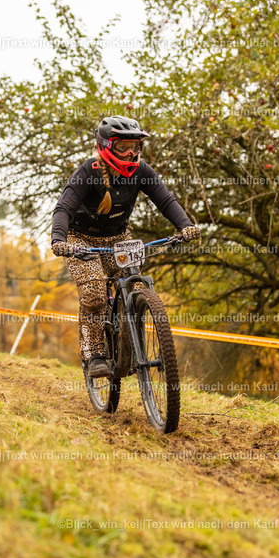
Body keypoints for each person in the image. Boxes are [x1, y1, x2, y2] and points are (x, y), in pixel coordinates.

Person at [51, 115, 200, 378]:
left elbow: (166, 201)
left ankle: (129, 346)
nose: (131, 153)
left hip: (118, 238)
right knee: (95, 293)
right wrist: (59, 240)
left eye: (135, 146)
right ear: (106, 146)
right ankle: (95, 354)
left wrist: (185, 226)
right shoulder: (89, 171)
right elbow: (63, 208)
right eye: (123, 147)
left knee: (136, 287)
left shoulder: (142, 171)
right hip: (79, 239)